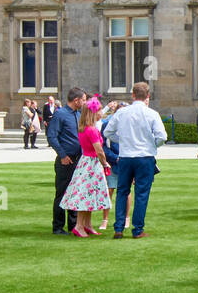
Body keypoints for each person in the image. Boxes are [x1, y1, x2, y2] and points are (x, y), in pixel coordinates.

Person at [104, 82, 167, 239]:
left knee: (122, 191)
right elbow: (162, 137)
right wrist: (152, 144)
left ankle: (118, 228)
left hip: (125, 156)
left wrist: (122, 140)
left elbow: (108, 132)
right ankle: (138, 229)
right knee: (141, 193)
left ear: (132, 95)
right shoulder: (152, 113)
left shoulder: (122, 113)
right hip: (144, 156)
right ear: (147, 96)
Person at [60, 98, 112, 237]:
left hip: (85, 162)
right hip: (92, 163)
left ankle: (87, 224)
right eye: (99, 110)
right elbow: (99, 150)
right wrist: (105, 163)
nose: (101, 112)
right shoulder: (92, 130)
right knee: (86, 195)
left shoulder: (84, 128)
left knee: (88, 194)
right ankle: (79, 225)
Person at [47, 87, 86, 235]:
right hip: (66, 160)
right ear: (76, 100)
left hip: (78, 160)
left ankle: (73, 225)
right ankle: (57, 226)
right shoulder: (60, 115)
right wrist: (62, 155)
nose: (84, 102)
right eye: (82, 99)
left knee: (75, 193)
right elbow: (52, 136)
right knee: (62, 193)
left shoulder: (79, 114)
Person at [98, 101, 122, 232]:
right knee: (109, 191)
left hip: (126, 163)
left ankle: (125, 219)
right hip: (113, 162)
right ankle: (105, 219)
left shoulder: (130, 126)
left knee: (125, 192)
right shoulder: (107, 125)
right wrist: (115, 158)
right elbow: (103, 147)